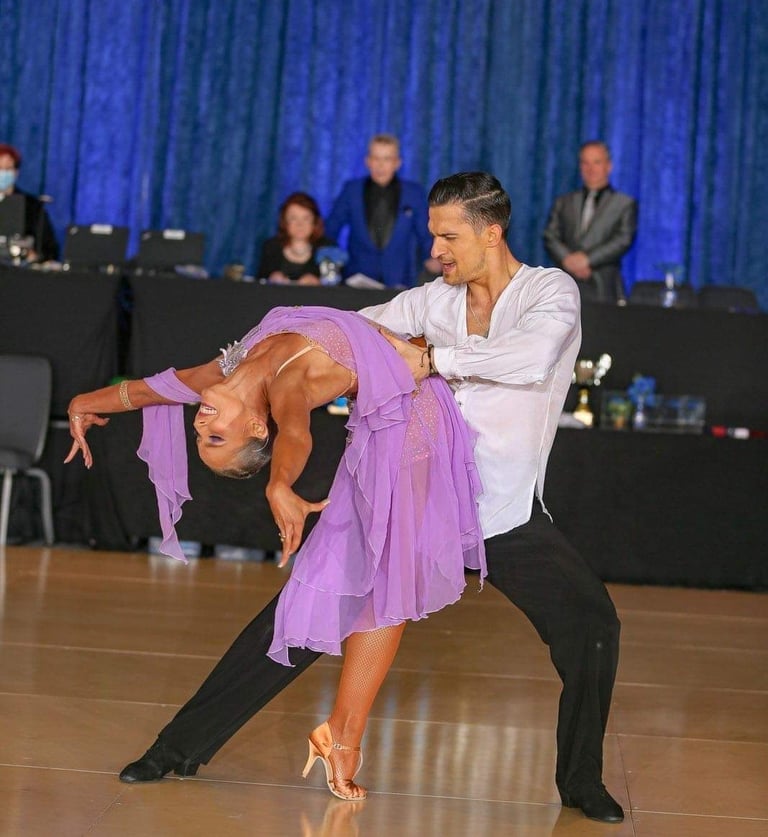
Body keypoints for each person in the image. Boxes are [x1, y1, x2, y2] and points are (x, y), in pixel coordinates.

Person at [116, 172, 623, 824]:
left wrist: (433, 359)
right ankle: (174, 750)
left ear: (491, 232)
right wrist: (250, 360)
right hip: (409, 500)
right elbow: (337, 332)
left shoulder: (547, 292)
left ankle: (582, 782)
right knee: (290, 624)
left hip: (497, 510)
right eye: (434, 234)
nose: (436, 249)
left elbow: (529, 358)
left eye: (448, 235)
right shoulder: (429, 301)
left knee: (593, 626)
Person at [66, 305, 485, 800]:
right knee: (375, 584)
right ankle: (340, 740)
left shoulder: (226, 371)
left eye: (203, 438)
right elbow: (297, 433)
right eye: (216, 437)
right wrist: (279, 483)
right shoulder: (287, 387)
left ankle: (340, 738)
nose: (201, 426)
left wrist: (83, 402)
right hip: (406, 422)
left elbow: (156, 388)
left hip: (412, 406)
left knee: (377, 584)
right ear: (256, 428)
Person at [325, 133, 441, 287]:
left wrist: (434, 257)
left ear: (397, 163)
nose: (380, 165)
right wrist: (327, 259)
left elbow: (426, 232)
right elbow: (330, 229)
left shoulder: (413, 193)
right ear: (368, 162)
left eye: (387, 159)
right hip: (357, 280)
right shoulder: (351, 190)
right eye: (376, 158)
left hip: (400, 281)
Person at [542, 140, 637, 305]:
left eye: (597, 162)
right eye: (585, 163)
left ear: (609, 166)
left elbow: (623, 239)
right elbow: (550, 235)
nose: (590, 169)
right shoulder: (564, 202)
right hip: (565, 286)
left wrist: (587, 260)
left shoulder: (624, 204)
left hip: (604, 288)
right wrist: (568, 259)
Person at [256, 192, 336, 284]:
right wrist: (271, 279)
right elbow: (259, 283)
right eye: (293, 218)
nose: (300, 225)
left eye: (306, 218)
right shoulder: (271, 247)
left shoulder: (328, 248)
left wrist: (319, 283)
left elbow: (335, 286)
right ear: (284, 222)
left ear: (314, 222)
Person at [0, 142, 59, 262]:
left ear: (16, 172)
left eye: (8, 169)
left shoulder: (32, 206)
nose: (3, 173)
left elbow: (49, 249)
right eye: (0, 168)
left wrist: (35, 256)